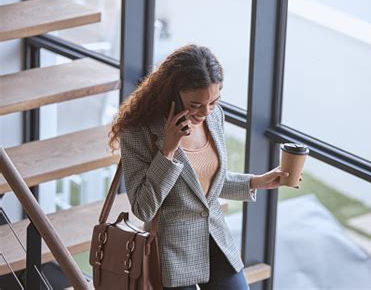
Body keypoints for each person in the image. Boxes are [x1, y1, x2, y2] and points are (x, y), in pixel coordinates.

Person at [108, 44, 298, 290]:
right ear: (172, 93)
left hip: (216, 240)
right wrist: (167, 151)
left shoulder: (214, 116)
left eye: (213, 101)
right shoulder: (138, 131)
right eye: (196, 104)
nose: (205, 112)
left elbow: (204, 183)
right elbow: (143, 208)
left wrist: (256, 181)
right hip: (171, 254)